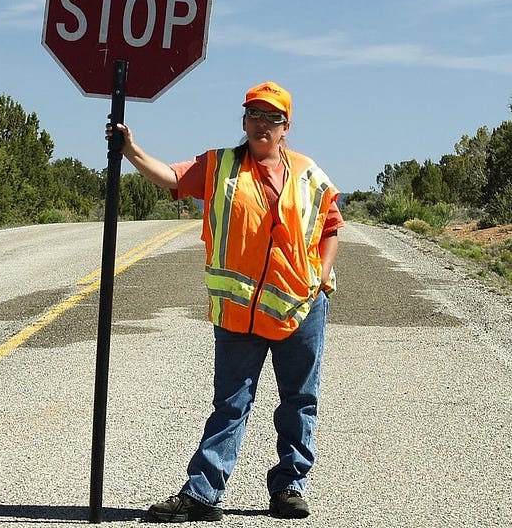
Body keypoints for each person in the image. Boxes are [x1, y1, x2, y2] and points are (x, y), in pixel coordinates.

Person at [105, 81, 344, 522]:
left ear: (286, 126)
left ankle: (290, 486)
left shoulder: (309, 173)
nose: (262, 123)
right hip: (238, 313)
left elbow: (331, 227)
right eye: (254, 114)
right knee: (231, 404)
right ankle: (203, 494)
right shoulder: (220, 166)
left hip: (301, 308)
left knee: (299, 399)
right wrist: (130, 151)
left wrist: (320, 277)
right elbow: (173, 178)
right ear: (244, 121)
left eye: (272, 117)